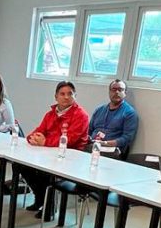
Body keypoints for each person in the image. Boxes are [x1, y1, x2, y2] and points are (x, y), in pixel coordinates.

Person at [24, 81, 90, 216]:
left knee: (45, 172)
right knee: (22, 166)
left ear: (75, 96)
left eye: (70, 94)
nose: (66, 97)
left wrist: (45, 141)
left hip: (72, 157)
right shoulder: (50, 114)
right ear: (56, 97)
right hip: (49, 153)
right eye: (62, 94)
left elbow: (70, 140)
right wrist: (32, 138)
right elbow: (39, 130)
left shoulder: (81, 115)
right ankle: (40, 198)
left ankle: (50, 207)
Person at [88, 79, 138, 154]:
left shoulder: (129, 113)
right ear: (109, 92)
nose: (117, 92)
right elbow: (89, 130)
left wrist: (105, 143)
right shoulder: (99, 110)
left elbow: (127, 138)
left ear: (125, 93)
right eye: (114, 89)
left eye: (120, 90)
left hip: (111, 150)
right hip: (92, 146)